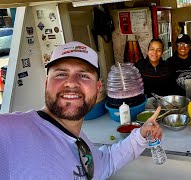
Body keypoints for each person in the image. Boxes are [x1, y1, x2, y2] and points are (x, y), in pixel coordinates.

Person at [0, 41, 163, 179]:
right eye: (61, 74)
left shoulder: (79, 141)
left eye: (84, 76)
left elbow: (106, 163)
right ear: (46, 83)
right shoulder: (10, 132)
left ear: (98, 88)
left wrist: (140, 135)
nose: (71, 83)